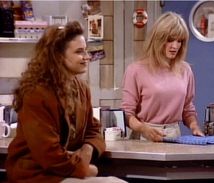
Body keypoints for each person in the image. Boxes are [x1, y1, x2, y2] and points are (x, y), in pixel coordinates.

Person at [6, 21, 127, 183]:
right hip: (37, 175)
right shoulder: (36, 93)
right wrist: (83, 169)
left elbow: (93, 129)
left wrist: (87, 149)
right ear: (58, 56)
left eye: (86, 51)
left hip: (66, 170)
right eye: (79, 52)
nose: (87, 57)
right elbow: (47, 153)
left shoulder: (81, 88)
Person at [121, 12, 204, 142]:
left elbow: (187, 108)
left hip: (174, 135)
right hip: (144, 136)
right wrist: (143, 129)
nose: (175, 46)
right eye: (170, 40)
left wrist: (194, 127)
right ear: (158, 39)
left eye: (180, 41)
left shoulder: (185, 70)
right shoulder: (135, 70)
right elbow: (127, 115)